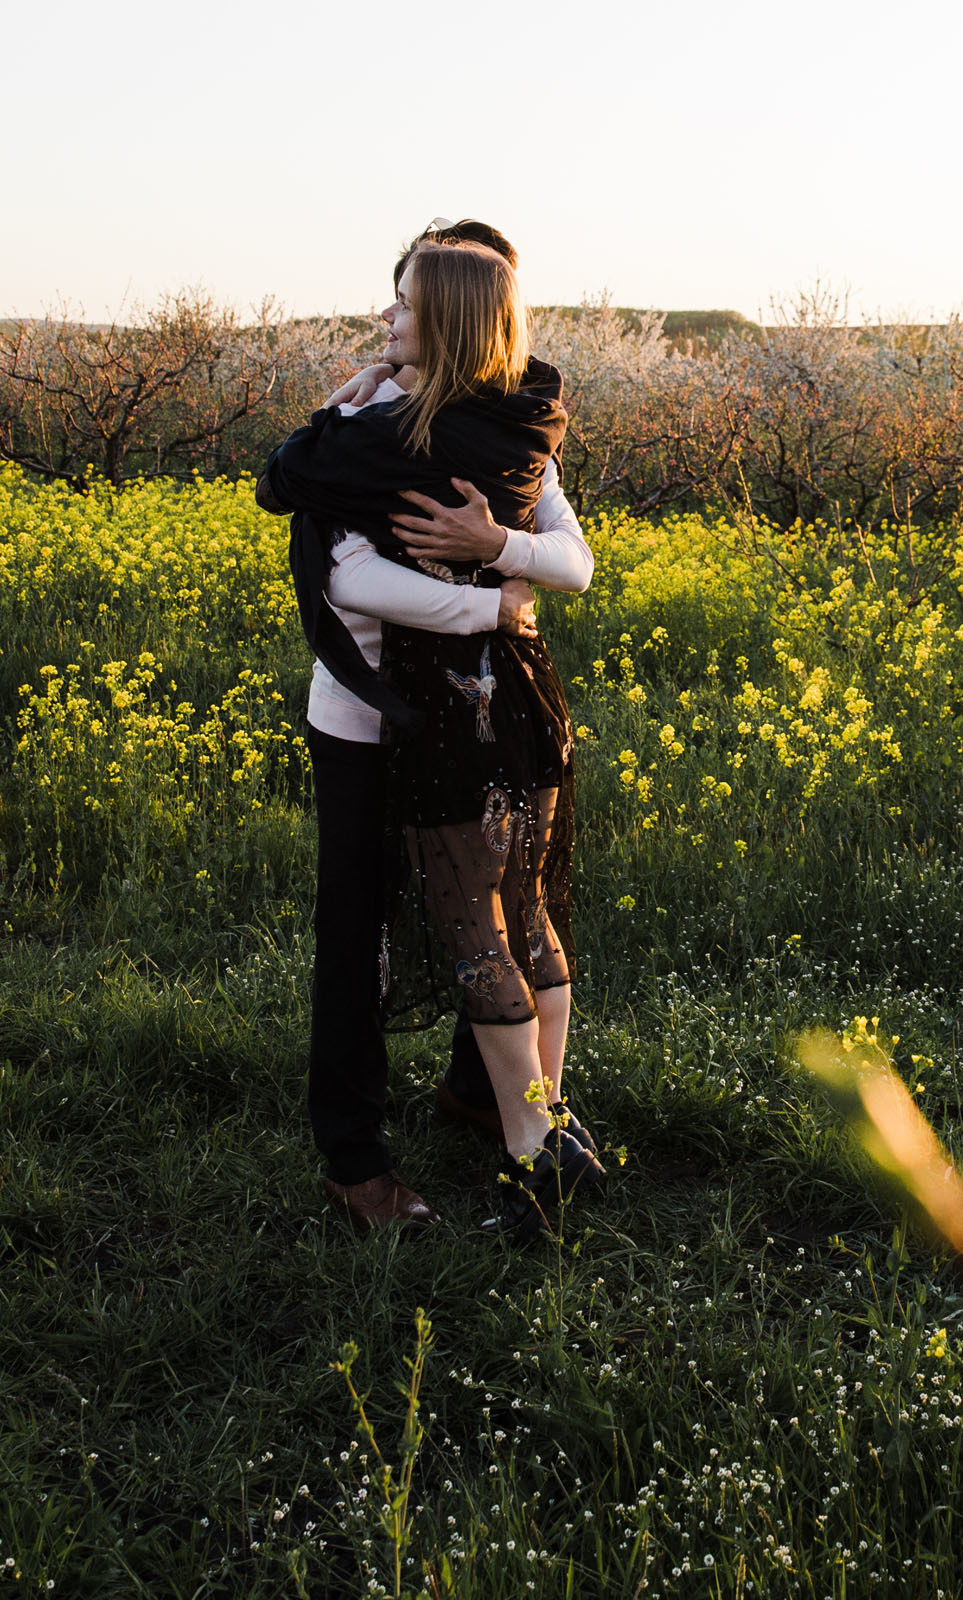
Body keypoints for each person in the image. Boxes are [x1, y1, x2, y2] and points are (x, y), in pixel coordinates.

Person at [260, 231, 600, 1242]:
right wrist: (491, 606)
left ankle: (485, 1097)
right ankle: (354, 1158)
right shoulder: (374, 427)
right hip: (369, 720)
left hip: (472, 715)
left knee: (488, 907)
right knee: (362, 933)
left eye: (402, 302)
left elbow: (571, 557)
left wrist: (496, 547)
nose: (384, 318)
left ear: (448, 322)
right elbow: (348, 577)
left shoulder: (501, 433)